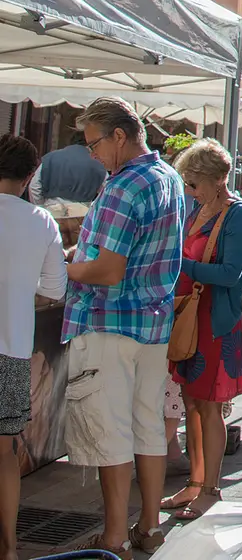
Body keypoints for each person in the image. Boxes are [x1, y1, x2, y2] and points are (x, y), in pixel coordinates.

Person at [63, 97, 185, 559]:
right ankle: (150, 527)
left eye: (94, 143)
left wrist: (65, 267)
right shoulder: (168, 177)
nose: (90, 154)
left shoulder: (122, 186)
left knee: (111, 432)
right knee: (148, 428)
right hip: (152, 323)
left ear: (119, 136)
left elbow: (109, 269)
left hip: (110, 322)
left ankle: (114, 538)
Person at [161, 141, 242, 522]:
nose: (190, 190)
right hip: (190, 320)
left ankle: (212, 489)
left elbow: (231, 273)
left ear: (219, 180)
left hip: (215, 322)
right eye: (188, 183)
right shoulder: (198, 211)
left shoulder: (238, 215)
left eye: (195, 183)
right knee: (192, 405)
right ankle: (195, 482)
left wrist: (182, 264)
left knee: (210, 408)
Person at [0, 135, 67, 560]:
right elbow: (54, 288)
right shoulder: (42, 221)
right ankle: (8, 547)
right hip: (12, 349)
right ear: (29, 178)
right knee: (5, 449)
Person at [28, 131, 106, 204]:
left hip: (51, 210)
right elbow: (107, 190)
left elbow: (34, 187)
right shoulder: (98, 163)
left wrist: (42, 206)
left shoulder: (50, 158)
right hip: (81, 214)